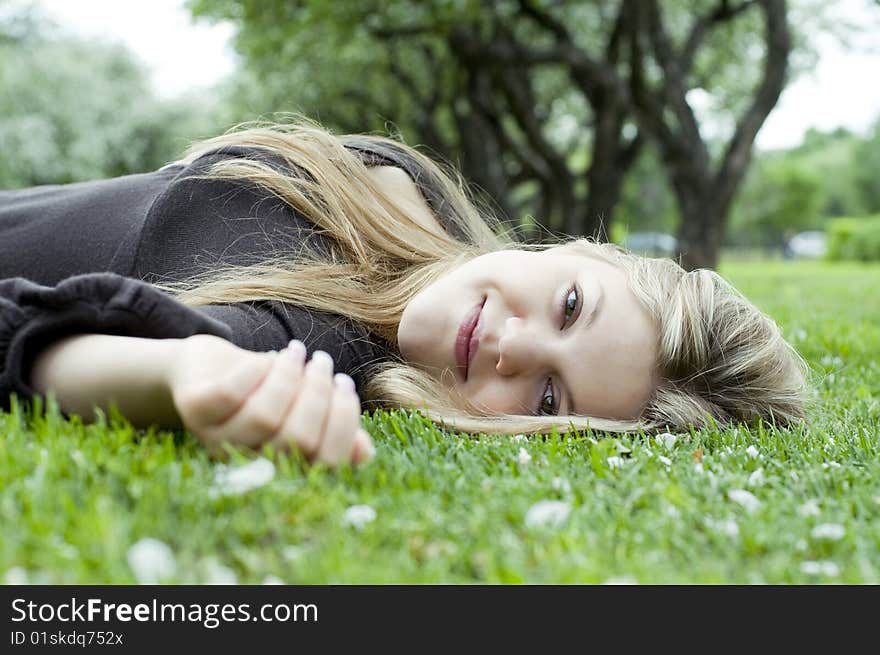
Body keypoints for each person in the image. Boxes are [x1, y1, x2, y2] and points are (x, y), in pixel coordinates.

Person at [0, 118, 809, 466]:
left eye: (549, 395)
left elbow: (37, 339)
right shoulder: (407, 183)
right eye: (569, 307)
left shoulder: (319, 351)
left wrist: (176, 378)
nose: (513, 346)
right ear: (577, 252)